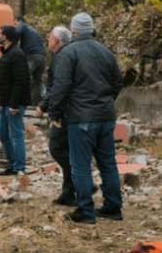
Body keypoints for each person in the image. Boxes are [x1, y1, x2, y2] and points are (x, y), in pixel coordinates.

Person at [46, 13, 124, 224]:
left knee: (80, 165)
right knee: (108, 163)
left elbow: (60, 86)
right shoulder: (106, 52)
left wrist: (55, 113)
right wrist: (106, 102)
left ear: (74, 31)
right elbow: (118, 82)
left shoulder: (68, 53)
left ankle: (85, 211)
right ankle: (113, 207)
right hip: (105, 117)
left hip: (81, 119)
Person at [36, 25, 75, 206]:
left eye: (50, 38)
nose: (48, 41)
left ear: (57, 41)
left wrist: (48, 109)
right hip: (71, 110)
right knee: (67, 150)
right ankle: (70, 190)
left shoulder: (62, 57)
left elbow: (58, 87)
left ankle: (79, 183)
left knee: (57, 148)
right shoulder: (64, 55)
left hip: (65, 112)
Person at [0, 25, 31, 175]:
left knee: (16, 134)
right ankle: (12, 164)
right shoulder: (7, 53)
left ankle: (19, 167)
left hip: (14, 103)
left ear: (7, 37)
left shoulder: (17, 54)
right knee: (2, 133)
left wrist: (14, 104)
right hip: (6, 102)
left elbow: (20, 81)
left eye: (0, 34)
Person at [16, 17, 47, 106]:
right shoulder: (33, 30)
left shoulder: (22, 25)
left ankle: (19, 103)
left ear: (18, 21)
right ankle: (34, 104)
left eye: (15, 24)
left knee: (22, 78)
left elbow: (16, 34)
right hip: (42, 57)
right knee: (37, 81)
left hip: (32, 57)